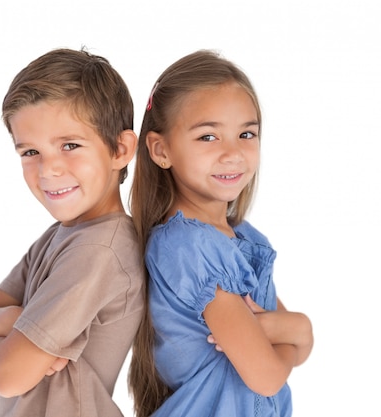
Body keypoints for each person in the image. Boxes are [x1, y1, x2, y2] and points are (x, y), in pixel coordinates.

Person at [127, 50, 314, 417]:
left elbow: (292, 352)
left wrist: (295, 332)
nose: (233, 153)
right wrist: (297, 330)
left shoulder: (245, 240)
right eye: (208, 137)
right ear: (160, 149)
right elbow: (266, 377)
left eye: (246, 133)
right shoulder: (191, 247)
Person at [0, 48, 145, 417]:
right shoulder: (60, 236)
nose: (48, 170)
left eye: (70, 145)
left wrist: (8, 337)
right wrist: (11, 323)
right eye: (30, 151)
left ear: (120, 149)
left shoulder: (99, 251)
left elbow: (8, 376)